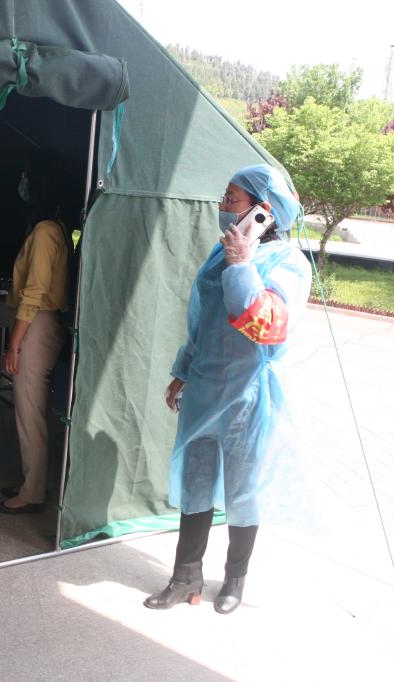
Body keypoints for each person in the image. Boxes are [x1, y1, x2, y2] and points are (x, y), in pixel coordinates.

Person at [144, 163, 311, 614]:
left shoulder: (288, 263)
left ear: (264, 210)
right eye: (224, 197)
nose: (222, 206)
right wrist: (183, 370)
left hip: (248, 394)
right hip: (204, 387)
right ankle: (185, 577)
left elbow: (263, 325)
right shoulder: (220, 254)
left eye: (231, 199)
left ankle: (234, 580)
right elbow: (200, 321)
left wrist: (242, 264)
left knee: (242, 489)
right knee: (195, 484)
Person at [0, 151, 73, 515]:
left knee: (29, 412)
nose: (21, 182)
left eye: (25, 175)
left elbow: (35, 293)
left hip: (37, 326)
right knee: (34, 410)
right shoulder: (56, 228)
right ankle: (32, 481)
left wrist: (14, 345)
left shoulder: (44, 232)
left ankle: (33, 492)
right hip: (44, 324)